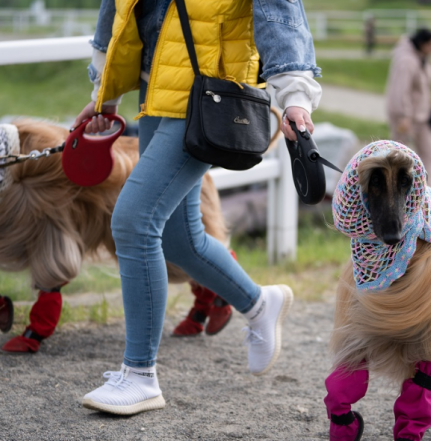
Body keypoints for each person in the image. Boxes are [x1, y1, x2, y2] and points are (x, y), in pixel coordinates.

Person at [74, 0, 322, 416]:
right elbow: (119, 11)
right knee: (179, 237)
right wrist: (106, 93)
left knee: (134, 222)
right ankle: (259, 303)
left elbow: (280, 14)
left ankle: (139, 376)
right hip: (157, 90)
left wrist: (295, 95)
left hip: (210, 96)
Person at [385, 28, 431, 180]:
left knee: (429, 152)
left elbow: (424, 87)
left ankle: (427, 192)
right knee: (400, 157)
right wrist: (404, 115)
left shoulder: (423, 58)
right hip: (406, 117)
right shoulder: (406, 60)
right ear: (422, 44)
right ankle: (395, 190)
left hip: (422, 116)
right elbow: (401, 90)